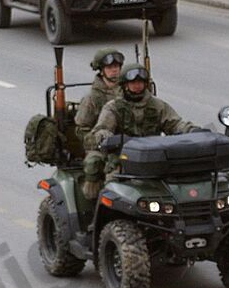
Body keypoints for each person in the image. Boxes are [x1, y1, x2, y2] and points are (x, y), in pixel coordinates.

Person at [82, 65, 200, 198]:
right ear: (125, 85)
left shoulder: (157, 105)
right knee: (114, 189)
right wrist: (108, 138)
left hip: (154, 157)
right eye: (133, 82)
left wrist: (192, 130)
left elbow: (175, 123)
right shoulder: (113, 107)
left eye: (140, 82)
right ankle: (102, 212)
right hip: (123, 157)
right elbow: (102, 129)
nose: (137, 86)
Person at [74, 48, 126, 140]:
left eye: (116, 66)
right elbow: (81, 129)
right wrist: (97, 140)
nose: (114, 70)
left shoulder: (128, 91)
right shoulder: (91, 98)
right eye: (109, 67)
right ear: (101, 71)